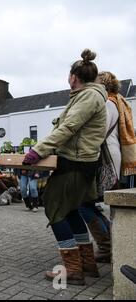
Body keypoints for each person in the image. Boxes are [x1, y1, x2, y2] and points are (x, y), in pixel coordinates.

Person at [23, 49, 107, 286]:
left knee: (55, 210)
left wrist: (38, 150)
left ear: (73, 77)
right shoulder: (86, 95)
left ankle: (73, 269)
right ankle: (87, 264)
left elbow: (68, 127)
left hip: (75, 164)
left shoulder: (89, 96)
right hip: (79, 163)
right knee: (70, 211)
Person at [78, 71, 136, 263]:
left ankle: (107, 247)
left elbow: (98, 132)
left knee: (84, 204)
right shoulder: (120, 102)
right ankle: (110, 245)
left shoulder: (108, 103)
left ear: (102, 85)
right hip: (112, 156)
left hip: (105, 159)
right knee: (95, 203)